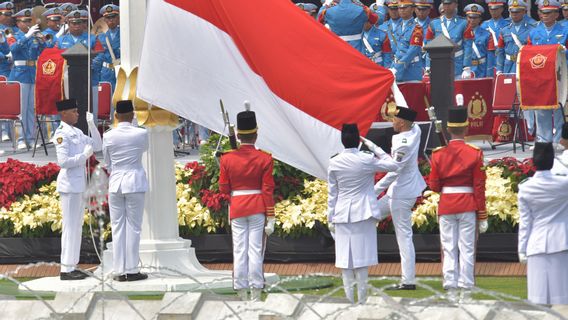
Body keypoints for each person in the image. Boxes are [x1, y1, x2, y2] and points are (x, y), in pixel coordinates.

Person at [328, 124, 400, 304]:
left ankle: (349, 302)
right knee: (361, 260)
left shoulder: (334, 161)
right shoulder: (366, 158)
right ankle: (361, 302)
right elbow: (393, 165)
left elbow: (332, 194)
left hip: (342, 213)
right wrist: (373, 146)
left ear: (342, 141)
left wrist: (330, 217)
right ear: (358, 139)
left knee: (345, 261)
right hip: (363, 212)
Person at [428, 108, 488, 302]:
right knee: (467, 248)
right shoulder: (475, 153)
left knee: (448, 247)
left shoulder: (438, 155)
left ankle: (451, 286)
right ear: (467, 127)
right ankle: (466, 288)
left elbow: (434, 186)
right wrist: (482, 214)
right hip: (468, 204)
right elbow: (479, 186)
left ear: (448, 128)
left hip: (447, 204)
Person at [218, 106, 275, 302]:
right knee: (255, 250)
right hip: (258, 206)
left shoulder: (227, 158)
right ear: (256, 134)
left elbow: (224, 189)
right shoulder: (265, 158)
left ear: (239, 135)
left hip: (238, 206)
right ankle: (256, 291)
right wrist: (272, 216)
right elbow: (267, 190)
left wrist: (225, 165)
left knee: (240, 250)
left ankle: (241, 290)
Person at [374, 107, 426, 290]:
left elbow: (394, 170)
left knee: (403, 237)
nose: (392, 121)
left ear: (402, 122)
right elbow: (412, 118)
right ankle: (334, 233)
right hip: (397, 192)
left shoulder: (403, 142)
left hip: (401, 194)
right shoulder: (415, 130)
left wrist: (375, 190)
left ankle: (408, 281)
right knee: (368, 213)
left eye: (394, 119)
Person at [53, 98, 102, 280]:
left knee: (76, 227)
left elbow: (98, 145)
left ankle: (72, 266)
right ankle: (66, 269)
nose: (77, 114)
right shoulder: (61, 134)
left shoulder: (78, 132)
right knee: (70, 227)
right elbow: (63, 162)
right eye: (74, 111)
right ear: (64, 114)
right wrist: (83, 156)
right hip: (69, 186)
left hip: (78, 185)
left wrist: (92, 124)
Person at [103, 100, 149, 282]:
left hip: (116, 182)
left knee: (117, 226)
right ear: (132, 114)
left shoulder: (109, 135)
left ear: (116, 116)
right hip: (134, 181)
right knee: (134, 227)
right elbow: (144, 149)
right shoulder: (141, 133)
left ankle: (119, 269)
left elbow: (107, 161)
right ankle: (131, 269)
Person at [518, 142, 568, 305]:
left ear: (533, 162)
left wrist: (522, 249)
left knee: (537, 300)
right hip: (561, 243)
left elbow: (525, 223)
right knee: (562, 301)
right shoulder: (563, 185)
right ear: (553, 162)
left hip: (536, 244)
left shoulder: (526, 188)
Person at [527, 0, 568, 149]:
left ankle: (558, 140)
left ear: (556, 14)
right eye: (543, 13)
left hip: (559, 74)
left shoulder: (565, 31)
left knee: (558, 106)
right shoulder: (534, 32)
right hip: (540, 75)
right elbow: (529, 52)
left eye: (548, 13)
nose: (544, 16)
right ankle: (543, 139)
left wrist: (564, 51)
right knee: (541, 106)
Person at [496, 0, 536, 135]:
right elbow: (500, 51)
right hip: (508, 67)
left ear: (524, 12)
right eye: (512, 12)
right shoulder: (505, 29)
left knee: (527, 98)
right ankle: (510, 131)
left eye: (518, 12)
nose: (514, 14)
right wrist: (499, 69)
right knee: (509, 99)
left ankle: (529, 130)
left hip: (524, 66)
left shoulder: (532, 28)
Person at [8, 8, 46, 150]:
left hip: (31, 74)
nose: (29, 23)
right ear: (18, 23)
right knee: (21, 109)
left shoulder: (33, 36)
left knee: (31, 108)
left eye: (30, 21)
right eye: (25, 21)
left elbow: (42, 51)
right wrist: (27, 37)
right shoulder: (14, 35)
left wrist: (41, 40)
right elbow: (12, 49)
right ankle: (20, 138)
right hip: (19, 75)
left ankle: (30, 137)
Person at [56, 10, 102, 123]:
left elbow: (100, 55)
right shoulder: (61, 40)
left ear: (84, 24)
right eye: (73, 23)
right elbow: (56, 57)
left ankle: (91, 134)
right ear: (69, 25)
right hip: (67, 80)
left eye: (79, 23)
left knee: (91, 110)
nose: (76, 26)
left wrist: (90, 65)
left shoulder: (93, 38)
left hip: (89, 78)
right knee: (68, 109)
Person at [425, 0, 474, 78]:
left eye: (450, 3)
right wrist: (428, 66)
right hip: (439, 63)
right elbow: (429, 46)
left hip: (457, 64)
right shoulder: (434, 23)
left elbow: (468, 46)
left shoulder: (463, 23)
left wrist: (467, 67)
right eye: (445, 4)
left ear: (456, 5)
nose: (447, 6)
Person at [391, 0, 424, 82]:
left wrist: (399, 66)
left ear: (412, 9)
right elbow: (397, 49)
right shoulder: (398, 26)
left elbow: (413, 50)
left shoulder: (417, 28)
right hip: (397, 70)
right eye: (400, 8)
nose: (402, 10)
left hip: (411, 71)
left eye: (405, 8)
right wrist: (393, 66)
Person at [463, 4, 496, 78]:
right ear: (466, 18)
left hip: (481, 69)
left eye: (475, 18)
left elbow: (490, 56)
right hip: (465, 69)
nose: (472, 20)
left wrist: (489, 74)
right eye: (470, 17)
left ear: (480, 19)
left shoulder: (487, 34)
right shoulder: (461, 34)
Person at [481, 0, 508, 75]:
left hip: (503, 57)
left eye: (496, 9)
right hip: (489, 58)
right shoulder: (484, 25)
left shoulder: (508, 24)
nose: (493, 11)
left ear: (502, 9)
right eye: (491, 9)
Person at [97, 4, 120, 91]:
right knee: (106, 100)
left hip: (120, 71)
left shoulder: (125, 34)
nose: (111, 20)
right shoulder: (100, 37)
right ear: (104, 20)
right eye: (108, 18)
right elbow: (98, 59)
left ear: (118, 18)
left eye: (113, 17)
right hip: (106, 73)